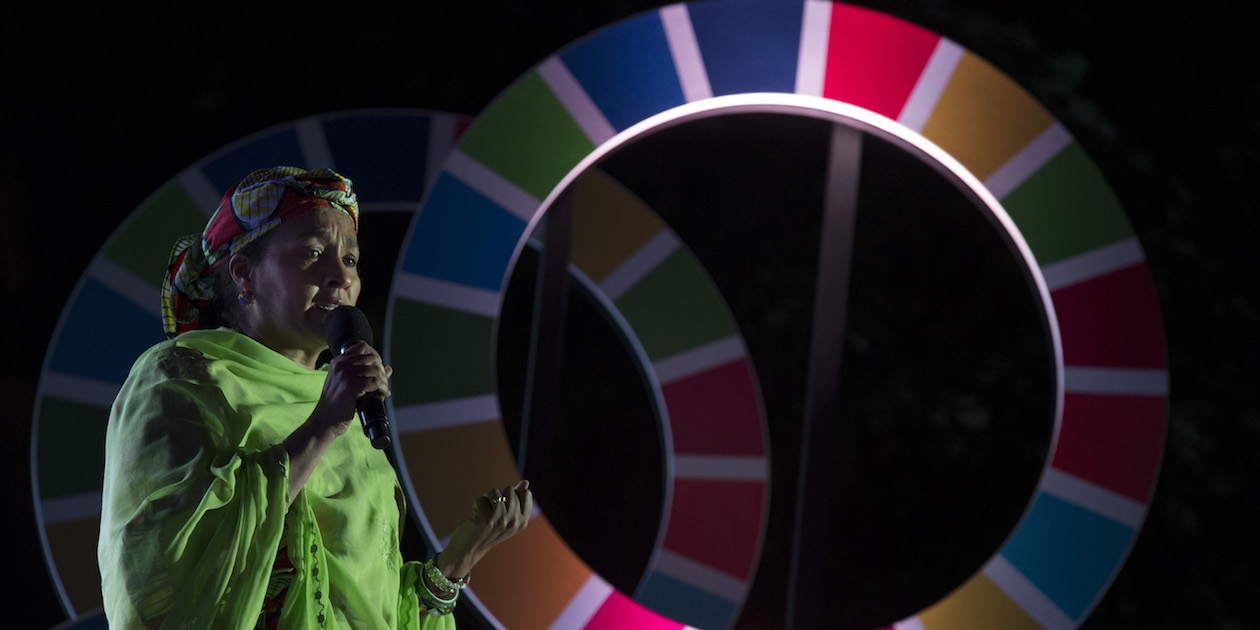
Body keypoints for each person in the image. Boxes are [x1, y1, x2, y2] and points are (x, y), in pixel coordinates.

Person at [97, 166, 531, 629]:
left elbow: (371, 610)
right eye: (313, 253)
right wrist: (322, 424)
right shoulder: (183, 377)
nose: (340, 277)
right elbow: (161, 571)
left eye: (350, 259)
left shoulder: (350, 418)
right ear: (245, 275)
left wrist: (460, 559)